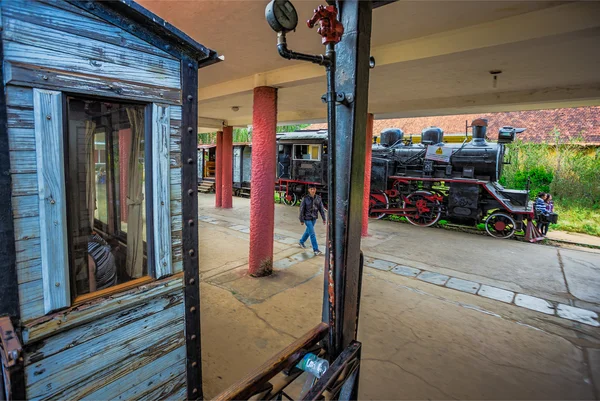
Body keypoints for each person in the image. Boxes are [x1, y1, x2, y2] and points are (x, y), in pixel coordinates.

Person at [298, 184, 326, 256]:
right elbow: (301, 209)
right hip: (307, 218)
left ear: (315, 189)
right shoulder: (305, 198)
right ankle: (316, 249)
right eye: (311, 189)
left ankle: (301, 241)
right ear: (309, 190)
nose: (313, 190)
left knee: (308, 231)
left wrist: (324, 218)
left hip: (314, 218)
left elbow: (321, 209)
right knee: (312, 233)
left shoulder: (318, 198)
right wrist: (301, 219)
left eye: (314, 189)